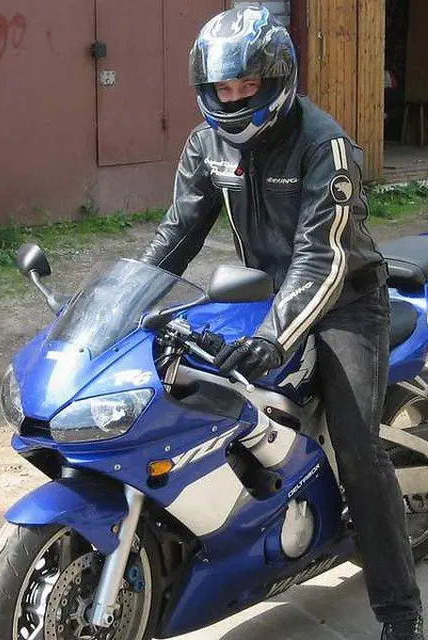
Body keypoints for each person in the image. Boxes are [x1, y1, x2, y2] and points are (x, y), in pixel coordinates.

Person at [140, 5, 424, 638]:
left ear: (278, 80)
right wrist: (125, 302)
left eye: (248, 84)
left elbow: (320, 258)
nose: (235, 98)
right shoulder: (207, 145)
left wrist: (273, 337)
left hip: (347, 300)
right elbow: (176, 236)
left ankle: (401, 614)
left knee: (358, 450)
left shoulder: (325, 144)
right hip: (265, 299)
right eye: (223, 87)